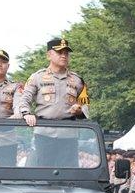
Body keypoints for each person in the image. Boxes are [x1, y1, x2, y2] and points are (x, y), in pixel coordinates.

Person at [18, 38, 89, 167]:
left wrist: (79, 111)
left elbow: (86, 106)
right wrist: (26, 113)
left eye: (66, 53)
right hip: (44, 134)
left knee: (68, 175)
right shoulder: (37, 77)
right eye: (59, 52)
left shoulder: (78, 80)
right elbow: (24, 99)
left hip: (69, 135)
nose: (63, 55)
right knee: (42, 174)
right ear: (49, 55)